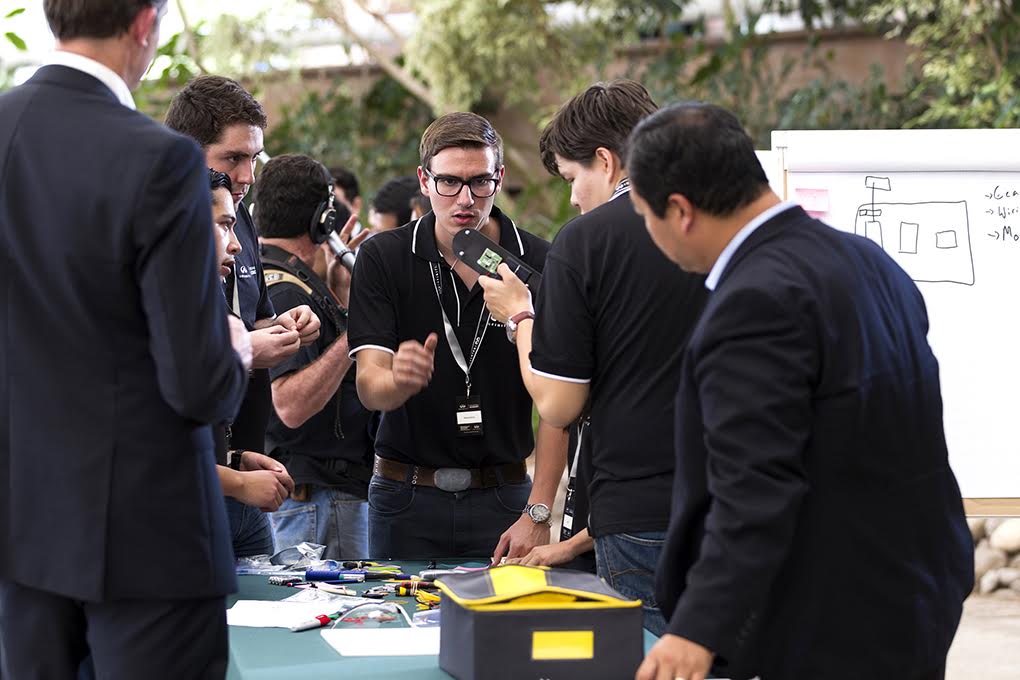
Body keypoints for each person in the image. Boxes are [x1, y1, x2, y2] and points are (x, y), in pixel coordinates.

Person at [626, 102, 974, 680]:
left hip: (833, 617)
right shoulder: (867, 259)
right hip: (914, 590)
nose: (648, 232)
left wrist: (696, 629)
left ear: (681, 211)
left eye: (645, 215)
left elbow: (755, 486)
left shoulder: (756, 301)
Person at [0, 2, 249, 677]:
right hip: (147, 534)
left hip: (19, 528)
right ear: (144, 23)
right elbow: (198, 384)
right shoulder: (157, 157)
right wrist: (236, 350)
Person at [477, 81, 708, 633]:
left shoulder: (586, 240)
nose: (574, 199)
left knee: (645, 661)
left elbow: (558, 403)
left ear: (605, 161)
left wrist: (520, 317)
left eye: (571, 179)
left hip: (638, 519)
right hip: (728, 504)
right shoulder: (714, 226)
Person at [348, 112, 568, 560]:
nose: (465, 199)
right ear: (424, 181)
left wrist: (539, 512)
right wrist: (397, 381)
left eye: (479, 182)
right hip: (404, 495)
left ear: (499, 178)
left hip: (505, 497)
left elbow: (559, 400)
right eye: (449, 182)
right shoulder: (384, 257)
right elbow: (370, 387)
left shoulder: (541, 261)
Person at [166, 75, 321, 558]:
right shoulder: (146, 245)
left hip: (242, 469)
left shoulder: (240, 219)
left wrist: (286, 326)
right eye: (233, 157)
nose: (248, 175)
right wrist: (245, 349)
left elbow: (250, 320)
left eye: (254, 158)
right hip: (188, 492)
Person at [255, 154, 376, 559]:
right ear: (324, 219)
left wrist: (340, 296)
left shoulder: (279, 277)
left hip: (318, 499)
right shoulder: (287, 290)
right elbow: (290, 404)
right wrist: (360, 324)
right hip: (316, 501)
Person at [208, 170, 296, 556]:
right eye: (224, 226)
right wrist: (238, 483)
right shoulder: (153, 319)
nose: (236, 245)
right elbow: (148, 455)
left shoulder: (207, 306)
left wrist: (235, 461)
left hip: (235, 497)